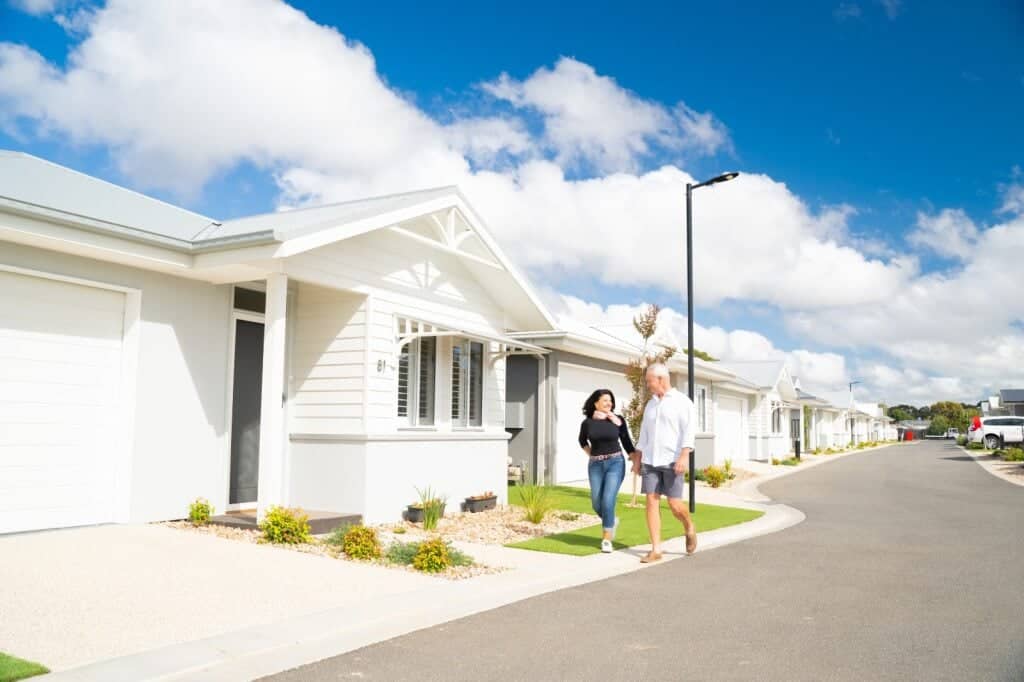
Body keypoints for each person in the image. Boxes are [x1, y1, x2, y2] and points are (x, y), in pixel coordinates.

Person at [631, 363, 698, 563]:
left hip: (672, 460)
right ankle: (656, 549)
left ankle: (689, 526)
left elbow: (689, 431)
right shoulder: (650, 404)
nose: (647, 385)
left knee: (675, 505)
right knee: (651, 501)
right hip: (651, 460)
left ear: (661, 379)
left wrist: (684, 456)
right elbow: (644, 435)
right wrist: (637, 458)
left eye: (649, 381)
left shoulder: (682, 402)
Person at [578, 389, 635, 553]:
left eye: (610, 400)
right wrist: (592, 454)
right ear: (596, 403)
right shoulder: (588, 423)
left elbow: (626, 441)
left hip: (615, 463)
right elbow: (581, 440)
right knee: (597, 502)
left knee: (608, 499)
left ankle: (606, 539)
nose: (609, 403)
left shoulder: (618, 421)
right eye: (605, 400)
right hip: (595, 465)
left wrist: (634, 458)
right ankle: (611, 520)